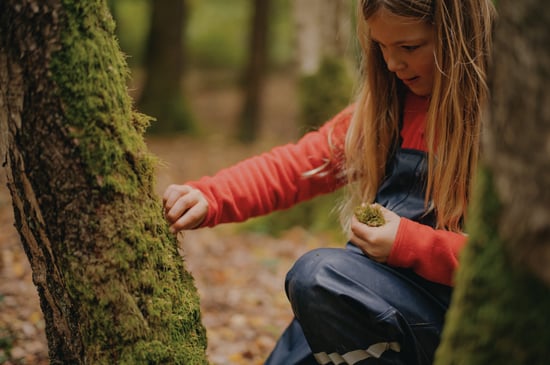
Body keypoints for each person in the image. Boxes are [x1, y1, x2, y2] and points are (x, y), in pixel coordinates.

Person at [163, 0, 496, 364]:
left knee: (318, 275)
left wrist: (407, 243)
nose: (392, 64)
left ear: (458, 34)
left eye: (409, 47)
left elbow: (513, 263)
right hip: (367, 301)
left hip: (446, 322)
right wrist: (211, 197)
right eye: (381, 47)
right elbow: (296, 167)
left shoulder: (507, 130)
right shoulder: (386, 112)